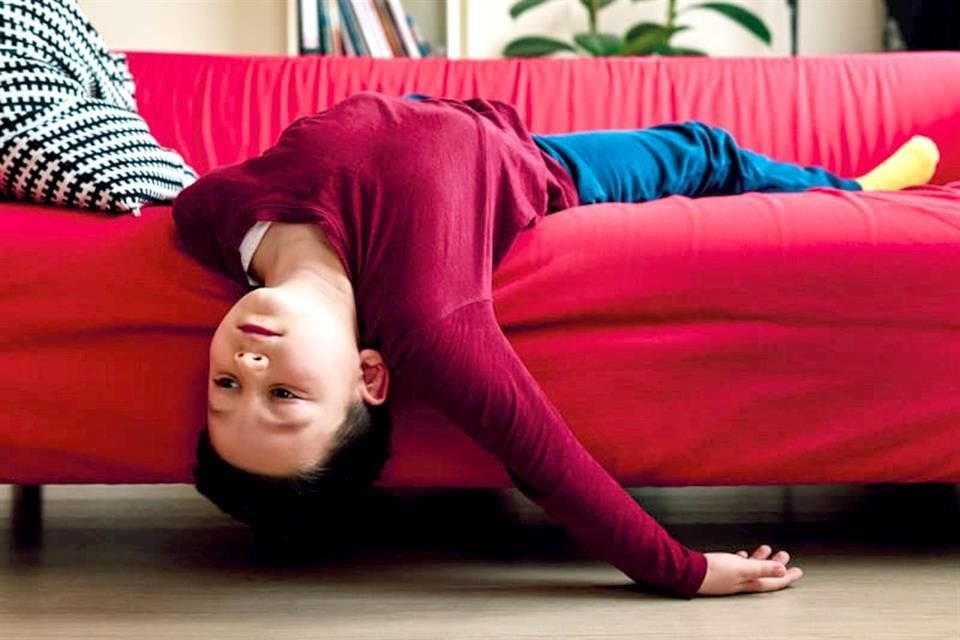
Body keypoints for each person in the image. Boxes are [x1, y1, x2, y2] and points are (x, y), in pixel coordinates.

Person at [172, 92, 939, 598]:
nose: (249, 364)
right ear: (370, 376)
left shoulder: (208, 215)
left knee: (705, 146)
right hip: (540, 166)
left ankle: (850, 185)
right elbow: (542, 456)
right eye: (284, 395)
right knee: (704, 150)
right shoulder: (427, 317)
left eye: (226, 389)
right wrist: (682, 570)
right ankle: (859, 192)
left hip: (465, 119)